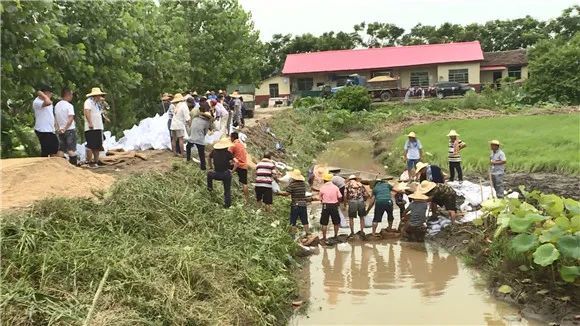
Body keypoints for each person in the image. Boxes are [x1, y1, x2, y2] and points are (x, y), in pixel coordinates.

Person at [279, 169, 310, 234]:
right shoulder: (303, 184)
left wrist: (278, 193)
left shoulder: (292, 184)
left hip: (295, 205)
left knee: (293, 220)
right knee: (304, 220)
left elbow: (287, 193)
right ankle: (308, 233)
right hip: (303, 204)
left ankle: (293, 236)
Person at [207, 137, 234, 208]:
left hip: (216, 174)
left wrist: (210, 167)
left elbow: (209, 157)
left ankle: (210, 189)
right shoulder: (228, 153)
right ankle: (227, 205)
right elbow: (236, 162)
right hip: (225, 174)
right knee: (227, 190)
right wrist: (232, 170)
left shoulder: (214, 151)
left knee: (209, 174)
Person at [84, 87, 107, 168]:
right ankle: (89, 161)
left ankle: (96, 161)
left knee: (97, 145)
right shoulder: (88, 102)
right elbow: (87, 112)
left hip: (98, 127)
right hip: (92, 127)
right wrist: (90, 122)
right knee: (91, 145)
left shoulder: (97, 104)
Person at [33, 85, 59, 157]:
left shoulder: (48, 100)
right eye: (49, 93)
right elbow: (48, 103)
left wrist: (55, 125)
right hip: (42, 129)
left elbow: (50, 114)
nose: (51, 95)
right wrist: (43, 95)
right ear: (45, 93)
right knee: (46, 150)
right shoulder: (37, 102)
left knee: (54, 148)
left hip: (50, 129)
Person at [54, 88, 78, 165]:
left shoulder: (57, 105)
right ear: (68, 95)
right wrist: (65, 128)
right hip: (69, 130)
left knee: (61, 149)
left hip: (60, 130)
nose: (72, 96)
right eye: (71, 94)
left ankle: (60, 166)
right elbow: (70, 118)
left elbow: (55, 118)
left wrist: (58, 128)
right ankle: (74, 165)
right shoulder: (69, 105)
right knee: (71, 149)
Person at [319, 173, 342, 243]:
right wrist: (338, 203)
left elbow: (320, 198)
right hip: (334, 205)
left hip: (325, 205)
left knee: (324, 222)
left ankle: (324, 238)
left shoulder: (322, 187)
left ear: (324, 180)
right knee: (336, 222)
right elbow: (340, 197)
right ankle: (335, 236)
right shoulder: (335, 187)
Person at [229, 131, 249, 202]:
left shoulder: (233, 145)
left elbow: (228, 155)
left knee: (224, 167)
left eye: (230, 137)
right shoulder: (241, 144)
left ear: (232, 137)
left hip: (237, 164)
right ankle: (246, 200)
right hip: (244, 165)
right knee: (245, 183)